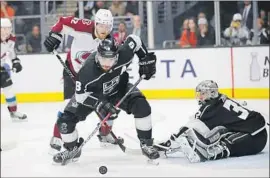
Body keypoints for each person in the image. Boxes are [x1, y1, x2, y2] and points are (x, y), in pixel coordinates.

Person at [52, 35, 160, 164]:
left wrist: (145, 59)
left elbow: (135, 40)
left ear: (117, 56)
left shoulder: (124, 53)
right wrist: (99, 104)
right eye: (103, 59)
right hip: (92, 95)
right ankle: (72, 149)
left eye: (111, 60)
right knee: (64, 122)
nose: (106, 64)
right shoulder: (87, 71)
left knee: (142, 107)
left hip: (118, 89)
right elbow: (81, 96)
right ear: (97, 55)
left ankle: (146, 144)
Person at [43, 9, 119, 153]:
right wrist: (55, 36)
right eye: (101, 25)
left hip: (93, 80)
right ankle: (57, 138)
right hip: (71, 72)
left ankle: (105, 133)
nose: (104, 29)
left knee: (107, 105)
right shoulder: (82, 26)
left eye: (107, 26)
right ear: (95, 23)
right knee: (67, 107)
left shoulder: (111, 42)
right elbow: (62, 21)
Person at [155, 80, 267, 163]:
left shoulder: (209, 108)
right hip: (257, 131)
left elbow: (190, 128)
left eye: (203, 93)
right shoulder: (222, 98)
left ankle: (209, 154)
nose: (200, 96)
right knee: (222, 132)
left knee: (223, 145)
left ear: (212, 93)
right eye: (199, 93)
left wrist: (169, 143)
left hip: (254, 138)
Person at [1, 18, 27, 121]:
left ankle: (13, 112)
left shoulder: (11, 39)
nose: (7, 31)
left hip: (1, 68)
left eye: (8, 28)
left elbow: (11, 54)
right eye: (4, 29)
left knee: (9, 90)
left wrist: (16, 62)